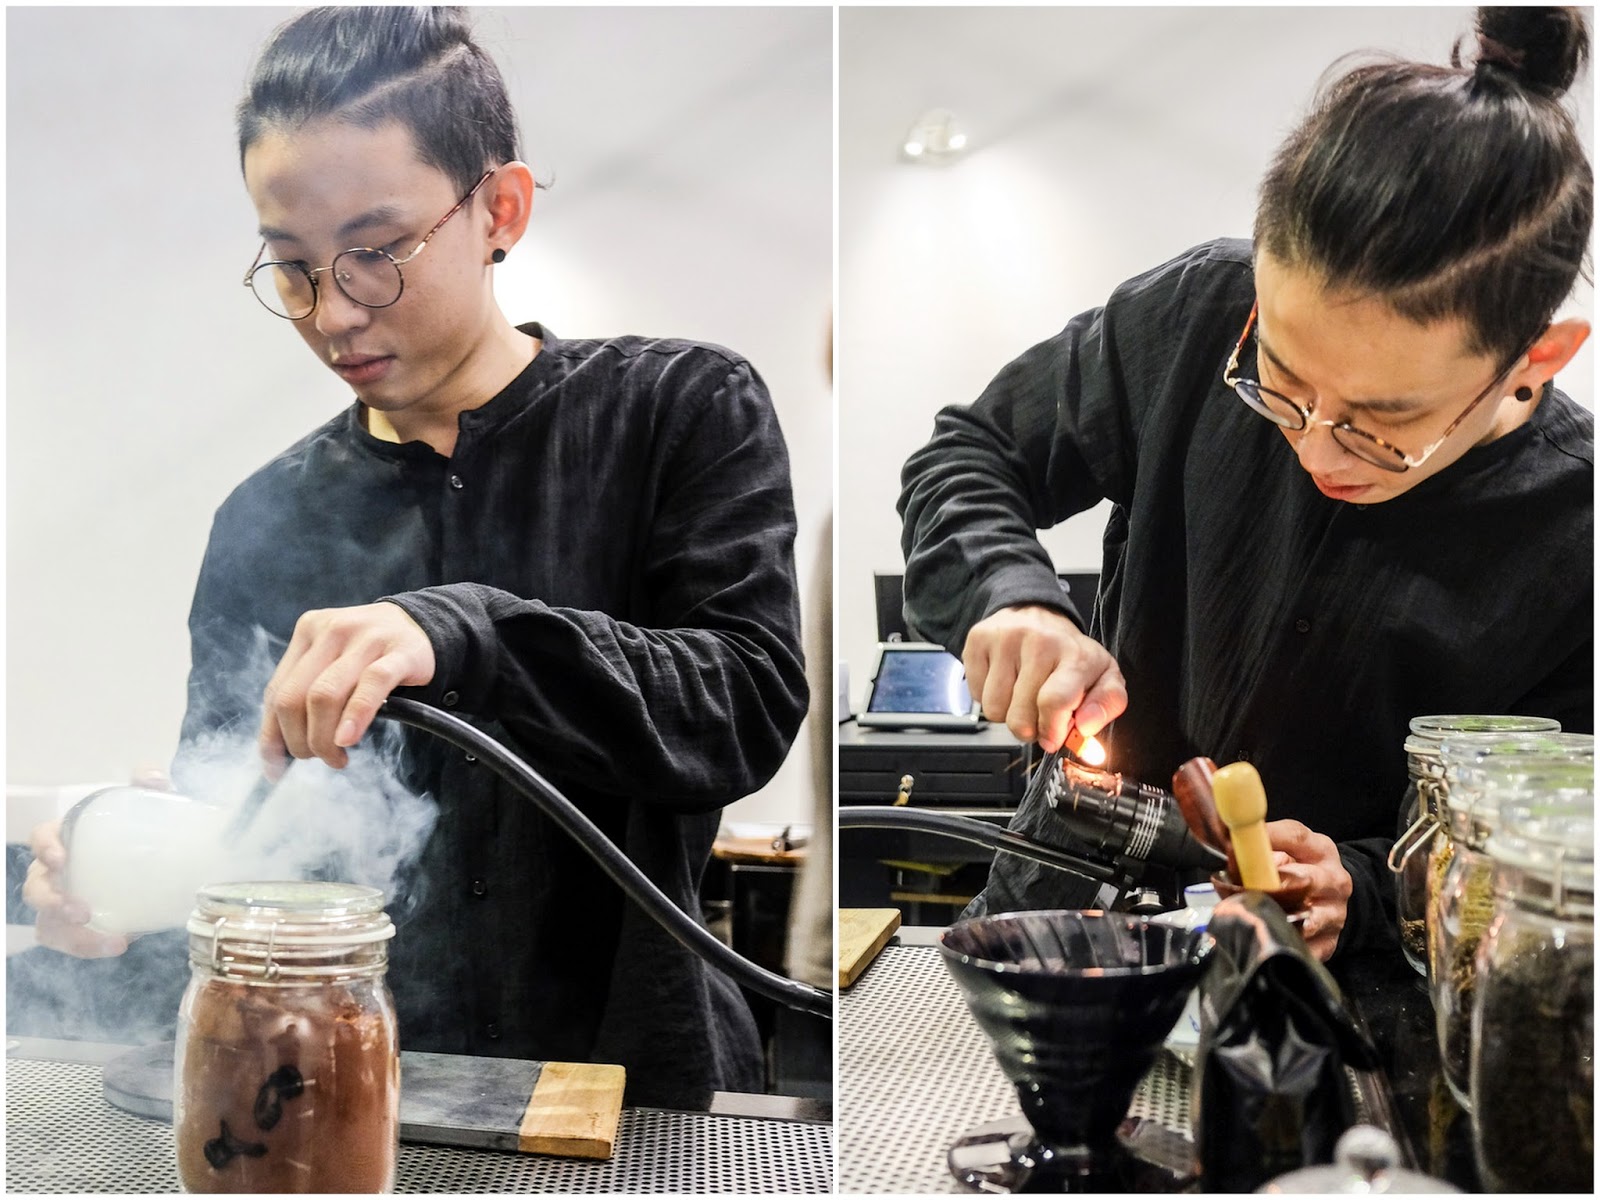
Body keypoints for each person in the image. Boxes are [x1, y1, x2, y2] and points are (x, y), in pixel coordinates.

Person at [20, 6, 809, 1109]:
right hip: (358, 1101)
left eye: (376, 252)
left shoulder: (678, 410)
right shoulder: (265, 519)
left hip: (631, 1092)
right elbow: (246, 858)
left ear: (500, 209)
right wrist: (117, 919)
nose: (332, 313)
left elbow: (744, 702)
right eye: (291, 267)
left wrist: (465, 631)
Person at [898, 6, 1592, 962]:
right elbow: (968, 455)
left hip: (1332, 989)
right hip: (1067, 905)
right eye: (1281, 381)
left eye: (1382, 422)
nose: (1316, 449)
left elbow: (1539, 853)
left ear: (1536, 360)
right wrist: (1012, 599)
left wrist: (1366, 887)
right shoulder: (1198, 313)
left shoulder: (1578, 534)